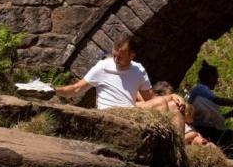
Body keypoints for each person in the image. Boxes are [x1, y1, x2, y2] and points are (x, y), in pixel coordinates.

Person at [54, 36, 183, 123]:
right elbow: (76, 89)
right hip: (110, 112)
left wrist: (172, 97)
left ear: (132, 55)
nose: (116, 60)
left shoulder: (138, 70)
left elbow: (149, 99)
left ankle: (178, 154)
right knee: (161, 103)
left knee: (174, 108)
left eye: (120, 57)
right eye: (114, 55)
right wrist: (52, 90)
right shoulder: (103, 66)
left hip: (130, 111)